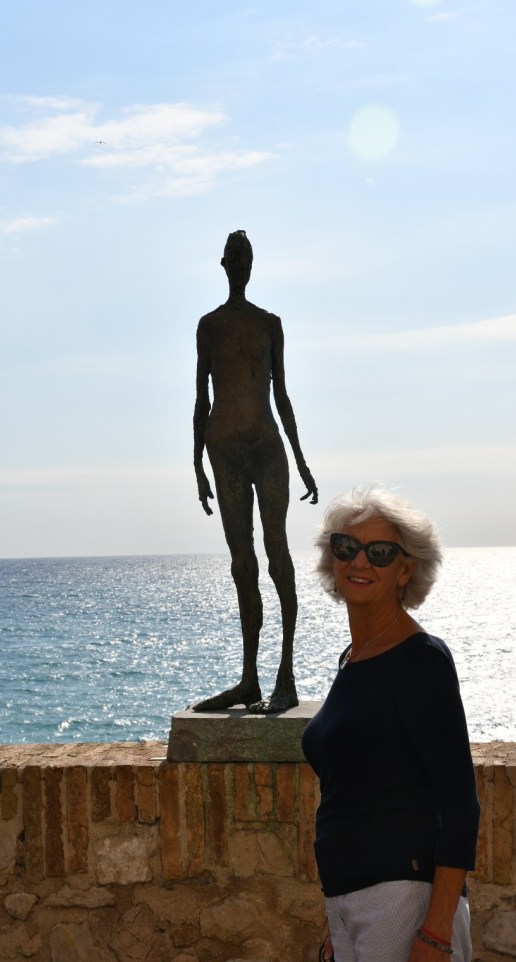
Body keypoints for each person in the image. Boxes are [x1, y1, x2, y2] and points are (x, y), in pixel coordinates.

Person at [301, 486, 479, 962]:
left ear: (406, 571)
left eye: (380, 552)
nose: (359, 562)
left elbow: (460, 803)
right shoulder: (355, 660)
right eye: (346, 546)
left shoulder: (420, 660)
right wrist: (342, 915)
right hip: (356, 903)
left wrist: (436, 937)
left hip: (403, 904)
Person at [192, 230, 317, 714]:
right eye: (235, 257)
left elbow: (282, 394)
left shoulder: (270, 324)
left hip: (266, 447)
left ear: (251, 265)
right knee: (242, 562)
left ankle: (286, 676)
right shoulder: (209, 326)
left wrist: (300, 459)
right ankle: (249, 680)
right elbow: (201, 398)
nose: (241, 264)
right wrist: (197, 464)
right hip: (224, 450)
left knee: (277, 552)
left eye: (247, 257)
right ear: (224, 265)